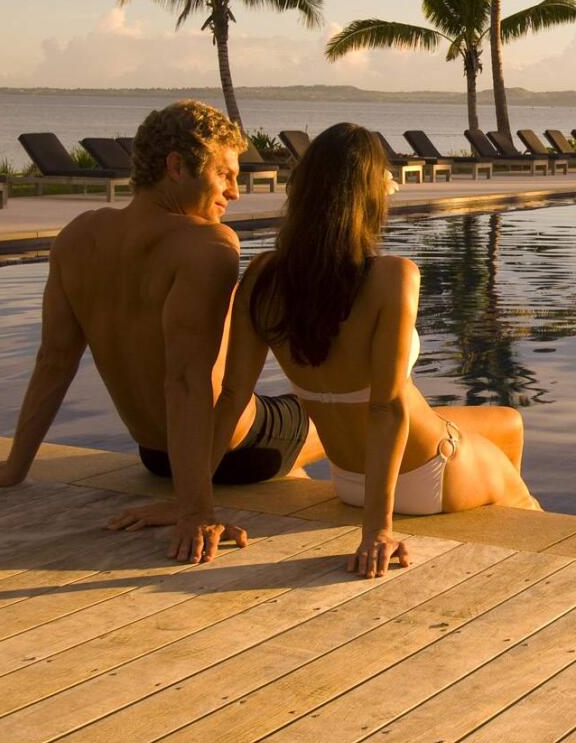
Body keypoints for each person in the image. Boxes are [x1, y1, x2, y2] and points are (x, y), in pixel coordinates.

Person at [0, 100, 325, 562]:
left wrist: (14, 467)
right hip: (244, 450)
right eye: (225, 174)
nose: (235, 192)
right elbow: (186, 381)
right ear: (177, 166)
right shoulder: (207, 245)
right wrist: (196, 510)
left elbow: (54, 361)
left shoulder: (79, 235)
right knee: (382, 409)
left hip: (156, 457)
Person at [216, 122, 538, 578]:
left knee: (508, 421)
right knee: (526, 504)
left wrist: (190, 504)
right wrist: (376, 531)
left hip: (350, 480)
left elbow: (232, 397)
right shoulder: (392, 276)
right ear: (369, 194)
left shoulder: (264, 277)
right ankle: (527, 558)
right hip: (428, 476)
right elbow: (385, 408)